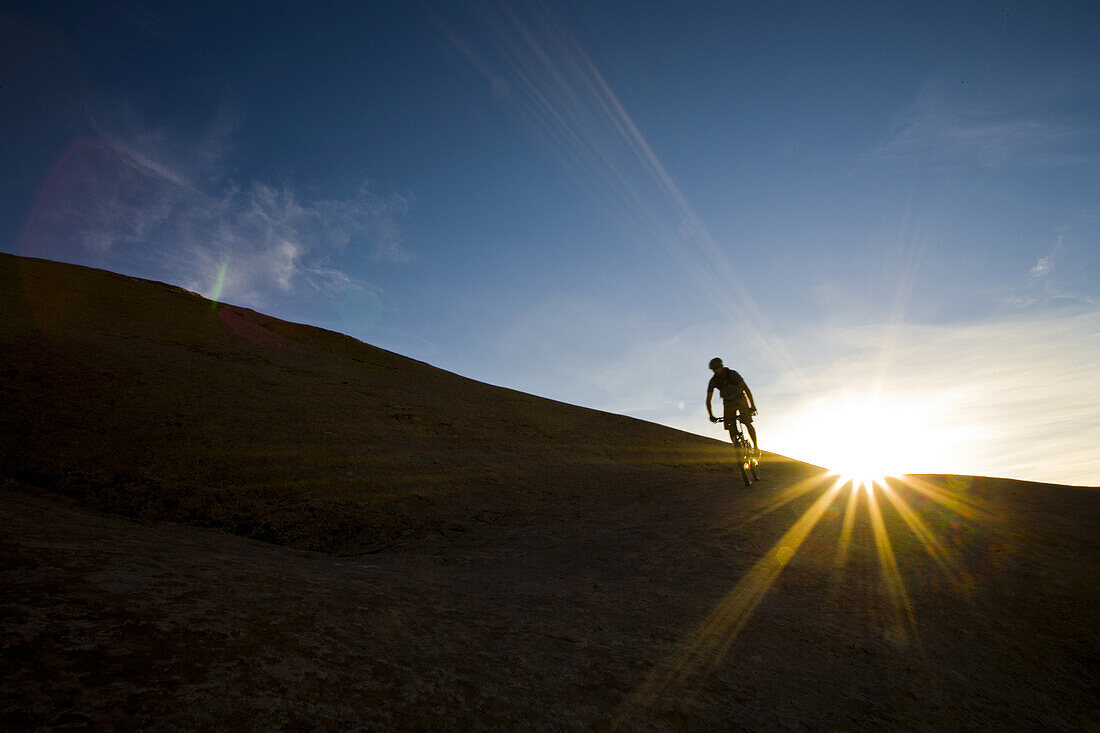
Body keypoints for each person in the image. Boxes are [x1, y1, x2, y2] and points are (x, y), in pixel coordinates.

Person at [706, 357, 759, 456]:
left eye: (717, 368)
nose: (716, 371)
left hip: (740, 400)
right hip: (728, 403)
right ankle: (736, 446)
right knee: (730, 426)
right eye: (713, 369)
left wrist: (752, 406)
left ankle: (755, 447)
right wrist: (711, 415)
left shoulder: (732, 374)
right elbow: (708, 399)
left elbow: (746, 389)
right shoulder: (713, 381)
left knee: (747, 422)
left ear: (721, 366)